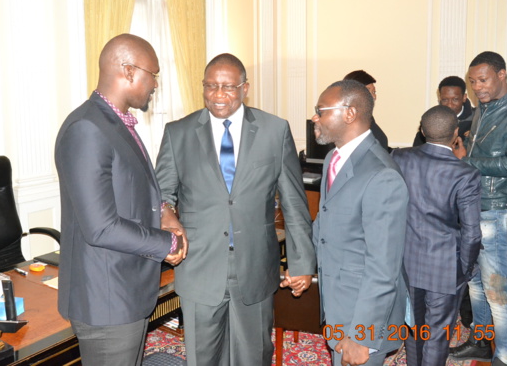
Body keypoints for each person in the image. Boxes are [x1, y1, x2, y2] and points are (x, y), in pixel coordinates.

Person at [155, 53, 316, 366]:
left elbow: (294, 202)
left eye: (228, 87)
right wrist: (167, 219)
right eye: (211, 86)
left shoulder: (274, 130)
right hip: (199, 265)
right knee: (203, 358)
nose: (218, 94)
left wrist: (302, 262)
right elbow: (161, 194)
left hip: (255, 265)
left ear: (245, 88)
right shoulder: (178, 133)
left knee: (253, 355)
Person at [54, 34, 185, 366]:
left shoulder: (115, 121)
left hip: (127, 290)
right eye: (152, 74)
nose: (155, 83)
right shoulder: (87, 128)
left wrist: (163, 210)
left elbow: (134, 186)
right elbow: (100, 228)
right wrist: (166, 242)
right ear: (127, 71)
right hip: (106, 298)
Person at [312, 79, 408, 366]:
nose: (315, 118)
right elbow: (325, 226)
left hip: (361, 317)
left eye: (321, 111)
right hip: (338, 303)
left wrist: (362, 337)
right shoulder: (333, 157)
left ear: (350, 113)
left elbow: (383, 267)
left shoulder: (382, 175)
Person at [450, 51, 507, 366]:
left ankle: (506, 358)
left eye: (483, 80)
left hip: (496, 212)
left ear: (501, 75)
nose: (477, 87)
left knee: (498, 292)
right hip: (474, 205)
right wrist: (468, 145)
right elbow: (486, 148)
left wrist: (467, 159)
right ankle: (481, 342)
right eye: (473, 82)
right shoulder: (485, 108)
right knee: (475, 283)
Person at [392, 105, 482, 366]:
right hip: (445, 267)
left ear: (421, 130)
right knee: (437, 335)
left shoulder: (399, 157)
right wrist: (464, 270)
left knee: (414, 327)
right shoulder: (465, 173)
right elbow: (472, 233)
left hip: (406, 260)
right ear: (456, 134)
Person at [413, 76, 474, 146]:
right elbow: (418, 150)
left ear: (464, 97)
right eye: (445, 100)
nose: (450, 105)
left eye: (455, 99)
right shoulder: (431, 119)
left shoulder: (476, 120)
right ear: (440, 98)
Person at [343, 70, 389, 150]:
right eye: (367, 91)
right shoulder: (346, 122)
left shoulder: (368, 119)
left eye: (374, 92)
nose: (374, 96)